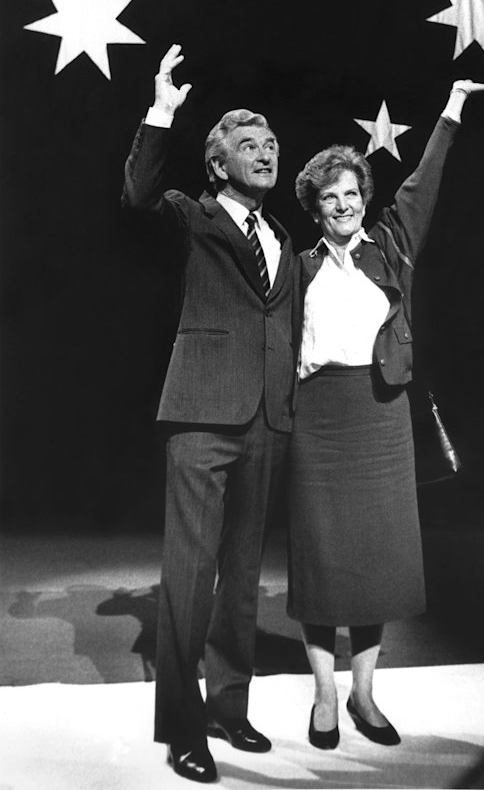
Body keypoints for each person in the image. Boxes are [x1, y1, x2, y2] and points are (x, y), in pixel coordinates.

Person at [288, 79, 484, 750]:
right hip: (318, 421)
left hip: (382, 418)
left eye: (353, 193)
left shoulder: (393, 244)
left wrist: (454, 105)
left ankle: (365, 692)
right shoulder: (295, 268)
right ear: (315, 209)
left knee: (379, 564)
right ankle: (324, 694)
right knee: (323, 565)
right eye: (332, 197)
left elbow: (425, 179)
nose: (345, 204)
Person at [122, 44, 297, 783]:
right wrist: (161, 109)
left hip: (267, 421)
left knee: (244, 573)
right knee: (189, 574)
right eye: (248, 146)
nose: (265, 154)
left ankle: (230, 706)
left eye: (271, 146)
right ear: (219, 163)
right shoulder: (192, 215)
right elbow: (137, 192)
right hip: (200, 411)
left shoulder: (285, 237)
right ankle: (183, 726)